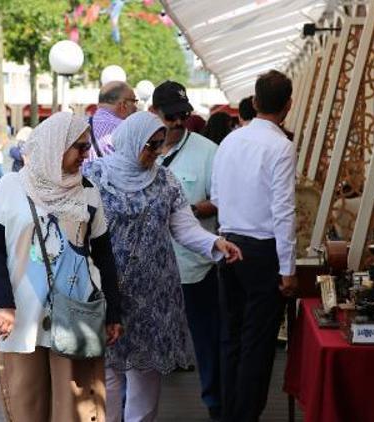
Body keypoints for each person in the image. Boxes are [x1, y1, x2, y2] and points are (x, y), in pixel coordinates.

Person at [83, 111, 242, 422]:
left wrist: (214, 243)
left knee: (146, 375)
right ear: (130, 142)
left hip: (154, 294)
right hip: (107, 290)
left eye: (160, 145)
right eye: (151, 145)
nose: (156, 152)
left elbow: (183, 228)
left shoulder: (166, 179)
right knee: (109, 376)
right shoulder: (94, 176)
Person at [0, 112, 123, 421]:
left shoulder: (87, 191)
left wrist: (113, 312)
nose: (86, 155)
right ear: (55, 146)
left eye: (87, 147)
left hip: (77, 315)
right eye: (80, 148)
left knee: (76, 408)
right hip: (22, 316)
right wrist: (3, 303)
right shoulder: (10, 187)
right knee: (26, 405)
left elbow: (103, 255)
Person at [211, 70, 297, 422]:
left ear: (255, 102)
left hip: (228, 245)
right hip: (262, 252)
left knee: (231, 338)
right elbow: (283, 210)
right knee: (257, 345)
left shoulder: (231, 141)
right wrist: (288, 269)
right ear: (288, 106)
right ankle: (245, 416)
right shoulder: (281, 146)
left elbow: (216, 195)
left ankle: (230, 413)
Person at [151, 81, 222, 420]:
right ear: (154, 113)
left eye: (184, 115)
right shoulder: (142, 150)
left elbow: (222, 201)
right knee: (146, 343)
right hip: (149, 269)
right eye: (172, 116)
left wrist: (189, 212)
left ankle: (214, 403)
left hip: (195, 268)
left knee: (207, 341)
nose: (178, 121)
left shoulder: (209, 151)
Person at [86, 81, 138, 162]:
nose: (136, 107)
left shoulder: (80, 125)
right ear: (123, 104)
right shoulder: (128, 131)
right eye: (134, 101)